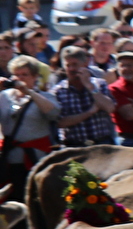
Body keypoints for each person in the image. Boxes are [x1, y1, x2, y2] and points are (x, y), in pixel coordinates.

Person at [2, 57, 61, 191]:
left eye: (25, 75)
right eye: (17, 75)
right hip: (11, 158)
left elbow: (53, 114)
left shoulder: (45, 96)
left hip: (36, 157)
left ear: (35, 77)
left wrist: (28, 92)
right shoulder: (4, 96)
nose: (20, 79)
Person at [53, 47, 117, 147]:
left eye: (75, 64)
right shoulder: (58, 91)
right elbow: (60, 122)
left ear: (85, 64)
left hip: (102, 144)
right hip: (75, 146)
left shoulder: (99, 84)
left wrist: (90, 87)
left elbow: (110, 108)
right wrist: (90, 112)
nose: (71, 69)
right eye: (68, 65)